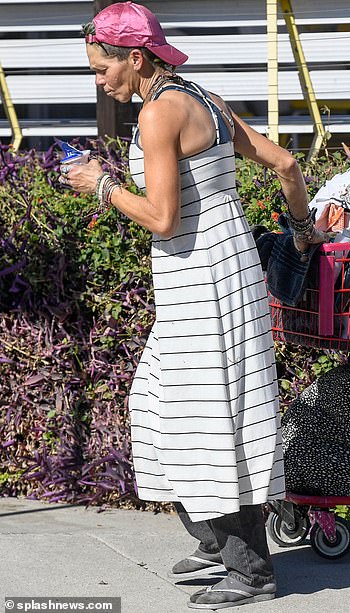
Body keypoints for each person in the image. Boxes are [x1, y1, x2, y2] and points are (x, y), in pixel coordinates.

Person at [61, 2, 327, 609]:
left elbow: (161, 217)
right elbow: (286, 163)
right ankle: (217, 545)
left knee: (204, 423)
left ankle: (251, 569)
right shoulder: (202, 97)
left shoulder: (159, 114)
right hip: (227, 271)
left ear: (135, 57)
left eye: (102, 68)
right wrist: (301, 227)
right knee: (163, 408)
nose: (98, 80)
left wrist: (101, 185)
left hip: (200, 279)